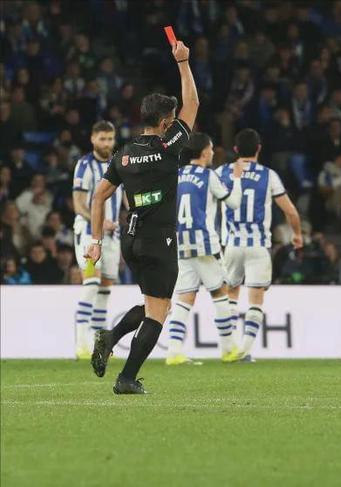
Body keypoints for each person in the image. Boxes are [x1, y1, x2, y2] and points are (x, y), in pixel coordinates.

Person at [85, 39, 198, 394]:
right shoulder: (168, 147)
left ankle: (110, 336)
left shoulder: (124, 153)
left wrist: (95, 241)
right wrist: (183, 62)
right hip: (158, 239)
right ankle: (126, 378)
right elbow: (193, 104)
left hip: (131, 240)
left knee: (153, 304)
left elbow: (99, 196)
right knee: (159, 312)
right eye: (172, 119)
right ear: (165, 123)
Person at [217, 128, 303, 362]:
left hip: (231, 245)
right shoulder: (269, 175)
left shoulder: (222, 172)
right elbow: (291, 211)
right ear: (259, 149)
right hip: (258, 246)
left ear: (236, 149)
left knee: (231, 295)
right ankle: (244, 351)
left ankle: (231, 347)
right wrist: (297, 234)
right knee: (255, 299)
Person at [165, 132, 243, 365]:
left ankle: (173, 351)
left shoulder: (176, 175)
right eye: (210, 149)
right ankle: (228, 349)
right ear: (203, 152)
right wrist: (237, 179)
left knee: (185, 296)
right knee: (220, 292)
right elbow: (234, 203)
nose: (212, 152)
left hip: (181, 243)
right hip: (204, 243)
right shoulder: (209, 176)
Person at [71, 120, 124, 359]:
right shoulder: (84, 165)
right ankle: (81, 344)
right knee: (91, 283)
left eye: (110, 139)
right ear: (93, 139)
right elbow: (79, 204)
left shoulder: (119, 163)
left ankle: (99, 346)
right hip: (88, 234)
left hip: (113, 236)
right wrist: (99, 223)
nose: (106, 143)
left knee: (104, 291)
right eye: (102, 139)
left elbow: (126, 199)